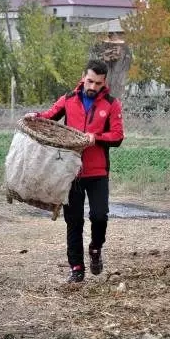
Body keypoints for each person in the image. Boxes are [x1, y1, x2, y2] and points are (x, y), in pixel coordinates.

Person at [26, 59, 124, 283]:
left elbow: (117, 136)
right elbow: (49, 116)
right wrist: (35, 116)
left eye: (98, 83)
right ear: (83, 77)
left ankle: (96, 249)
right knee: (74, 221)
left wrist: (96, 138)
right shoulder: (68, 99)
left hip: (98, 172)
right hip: (70, 172)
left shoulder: (111, 104)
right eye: (89, 81)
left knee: (99, 216)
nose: (92, 87)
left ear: (103, 82)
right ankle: (77, 268)